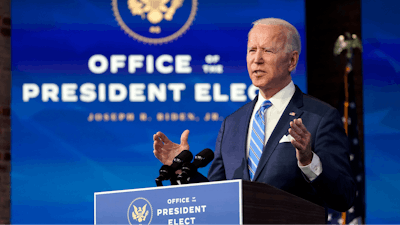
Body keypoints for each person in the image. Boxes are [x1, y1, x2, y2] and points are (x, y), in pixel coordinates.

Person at [153, 18, 355, 212]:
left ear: (292, 60)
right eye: (252, 50)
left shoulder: (320, 117)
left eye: (267, 50)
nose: (257, 59)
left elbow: (344, 196)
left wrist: (309, 161)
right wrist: (181, 168)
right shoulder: (232, 123)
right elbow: (215, 194)